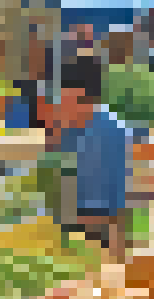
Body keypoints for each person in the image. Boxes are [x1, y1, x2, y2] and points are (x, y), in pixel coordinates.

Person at [55, 58, 134, 265]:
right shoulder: (69, 128)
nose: (62, 104)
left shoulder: (113, 131)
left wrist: (120, 252)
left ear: (83, 97)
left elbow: (121, 195)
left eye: (66, 98)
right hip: (68, 225)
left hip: (100, 229)